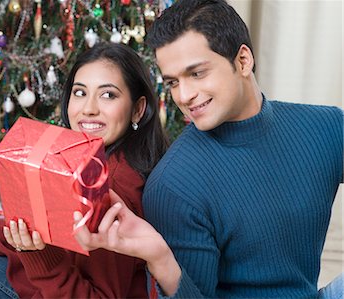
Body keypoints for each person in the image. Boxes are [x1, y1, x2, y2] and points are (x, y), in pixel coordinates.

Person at [73, 0, 344, 298]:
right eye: (173, 82)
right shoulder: (174, 184)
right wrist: (161, 258)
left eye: (197, 73)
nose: (185, 95)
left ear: (242, 61)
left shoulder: (326, 126)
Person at [0, 42, 168, 298]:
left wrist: (36, 255)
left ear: (137, 109)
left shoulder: (112, 186)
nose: (88, 109)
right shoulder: (89, 161)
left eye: (108, 95)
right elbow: (46, 237)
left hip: (47, 289)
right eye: (80, 92)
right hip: (45, 281)